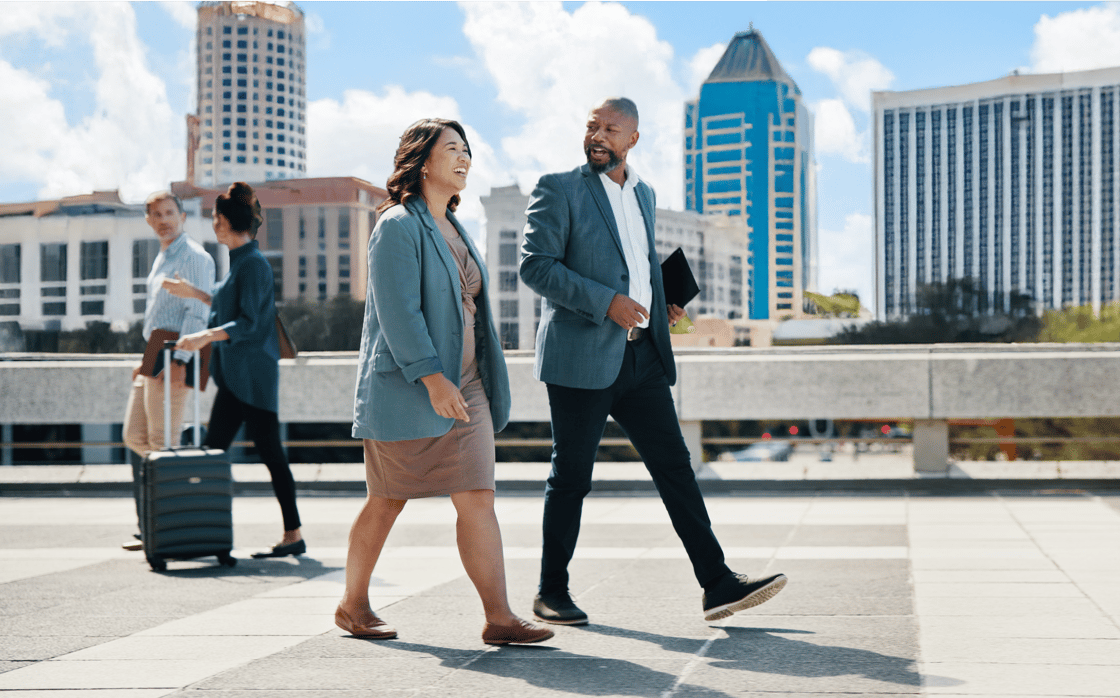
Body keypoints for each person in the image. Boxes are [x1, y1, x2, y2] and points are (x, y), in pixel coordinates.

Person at [519, 98, 788, 626]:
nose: (598, 135)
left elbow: (636, 263)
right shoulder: (559, 188)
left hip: (641, 355)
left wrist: (660, 299)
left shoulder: (645, 193)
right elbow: (535, 266)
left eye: (610, 129)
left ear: (632, 139)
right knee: (571, 476)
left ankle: (716, 584)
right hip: (581, 355)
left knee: (675, 468)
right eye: (592, 125)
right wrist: (606, 302)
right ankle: (551, 592)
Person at [338, 118, 552, 646]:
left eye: (467, 150)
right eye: (451, 149)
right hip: (411, 388)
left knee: (477, 496)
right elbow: (398, 312)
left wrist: (462, 378)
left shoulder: (456, 228)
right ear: (423, 161)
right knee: (387, 498)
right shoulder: (397, 225)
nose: (463, 158)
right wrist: (432, 378)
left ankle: (499, 616)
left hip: (469, 387)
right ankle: (352, 604)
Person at [166, 182, 305, 559]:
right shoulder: (242, 262)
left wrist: (203, 337)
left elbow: (251, 322)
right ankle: (206, 533)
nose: (212, 223)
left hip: (253, 379)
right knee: (219, 452)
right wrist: (194, 293)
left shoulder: (254, 264)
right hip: (236, 379)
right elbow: (230, 304)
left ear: (225, 222)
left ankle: (286, 534)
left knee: (266, 454)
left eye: (215, 217)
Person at [121, 190, 215, 551]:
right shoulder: (162, 257)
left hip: (177, 352)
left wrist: (180, 361)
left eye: (169, 213)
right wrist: (144, 359)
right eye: (156, 214)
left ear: (183, 216)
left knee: (163, 444)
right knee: (135, 437)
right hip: (154, 353)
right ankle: (164, 519)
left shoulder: (193, 256)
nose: (163, 220)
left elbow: (197, 312)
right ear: (149, 220)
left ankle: (167, 530)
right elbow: (159, 315)